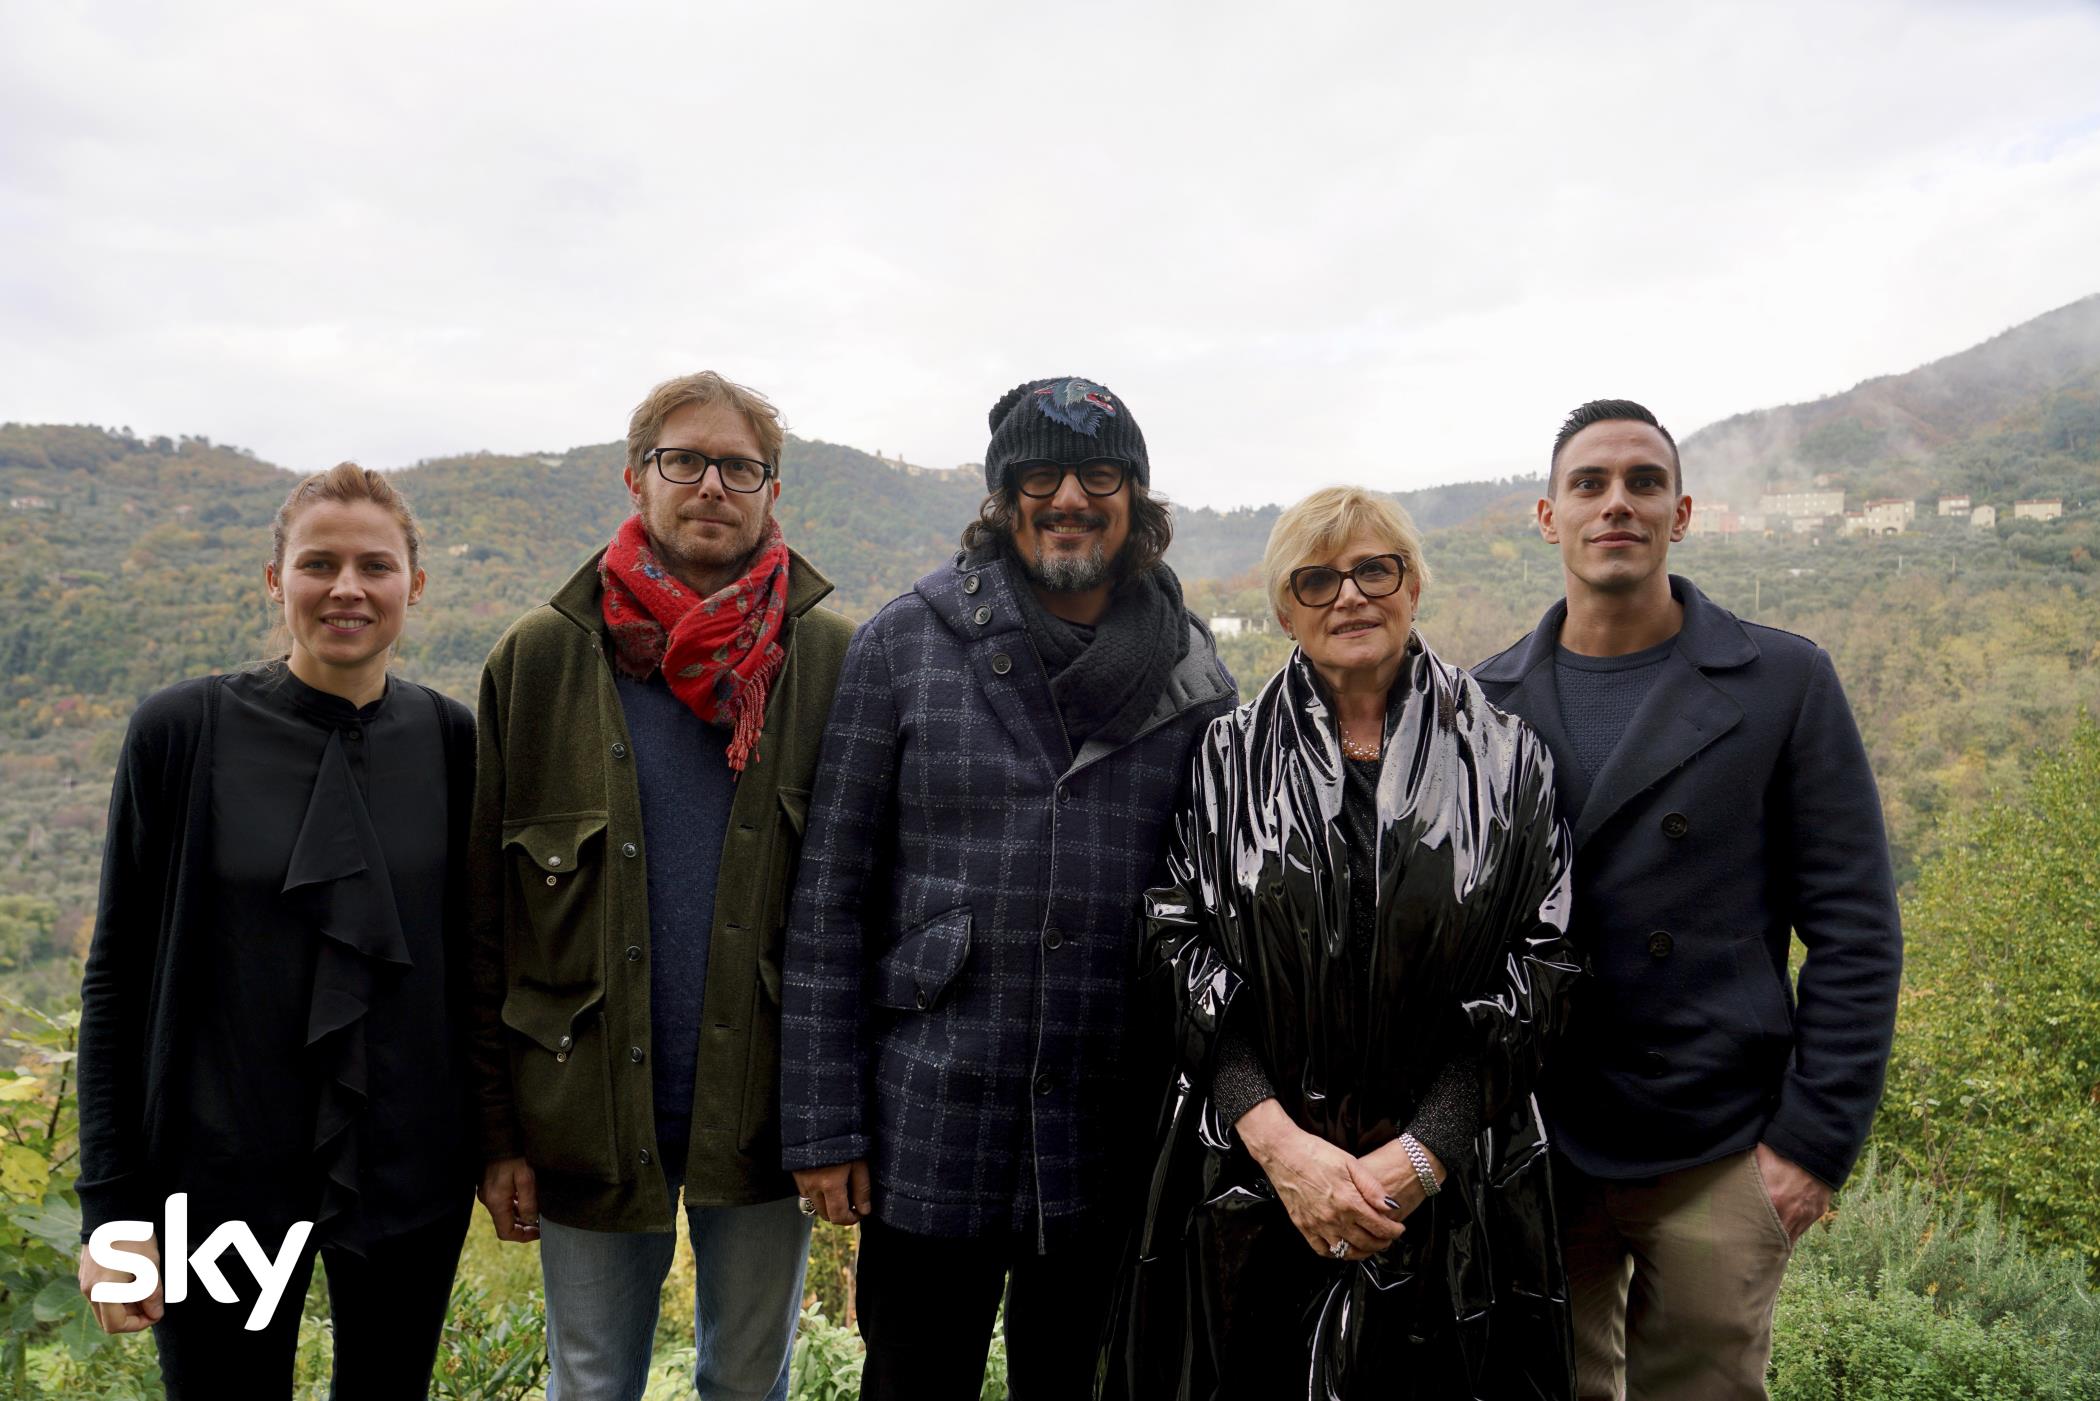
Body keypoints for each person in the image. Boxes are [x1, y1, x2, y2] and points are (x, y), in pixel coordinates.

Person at [779, 376, 1236, 1400]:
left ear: (1138, 498)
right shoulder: (905, 642)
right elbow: (828, 898)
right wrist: (823, 1127)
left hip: (1113, 1124)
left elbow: (1218, 915)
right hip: (928, 1116)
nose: (1069, 496)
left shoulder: (1197, 677)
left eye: (1100, 473)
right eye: (1040, 473)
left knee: (1086, 1383)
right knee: (912, 1382)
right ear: (1002, 495)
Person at [1105, 484, 1582, 1400]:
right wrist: (1282, 1147)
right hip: (1248, 1185)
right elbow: (1177, 945)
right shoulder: (1226, 757)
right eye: (1317, 579)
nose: (1350, 595)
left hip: (1454, 1197)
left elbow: (1545, 965)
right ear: (1285, 607)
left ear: (1414, 585)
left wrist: (1419, 1157)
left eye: (1375, 568)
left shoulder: (1510, 756)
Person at [1473, 399, 1903, 1401]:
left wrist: (1810, 1148)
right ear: (1548, 517)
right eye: (1590, 484)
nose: (1617, 503)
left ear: (1683, 511)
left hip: (1718, 1146)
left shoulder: (1783, 682)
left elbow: (1855, 929)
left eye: (1643, 482)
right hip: (1539, 1143)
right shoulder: (1483, 705)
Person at [465, 372, 851, 1401]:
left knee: (744, 1382)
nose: (712, 484)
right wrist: (497, 1136)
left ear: (773, 490)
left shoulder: (831, 661)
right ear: (637, 478)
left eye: (740, 465)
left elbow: (860, 910)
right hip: (579, 1109)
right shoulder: (540, 660)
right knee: (591, 1384)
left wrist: (843, 1122)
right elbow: (485, 923)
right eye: (686, 460)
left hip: (767, 1113)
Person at [74, 463, 476, 1397]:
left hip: (411, 1169)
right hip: (219, 1171)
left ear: (413, 584)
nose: (347, 587)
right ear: (275, 578)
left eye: (374, 565)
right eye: (318, 563)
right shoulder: (180, 731)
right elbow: (117, 978)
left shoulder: (452, 740)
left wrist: (500, 1147)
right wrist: (113, 1211)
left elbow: (474, 970)